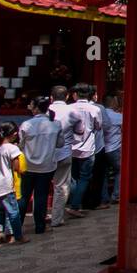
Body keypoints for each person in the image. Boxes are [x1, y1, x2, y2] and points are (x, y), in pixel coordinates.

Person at [19, 96, 64, 235]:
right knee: (41, 196)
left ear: (37, 108)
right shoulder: (55, 124)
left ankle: (16, 226)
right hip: (46, 165)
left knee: (24, 196)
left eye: (32, 105)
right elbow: (60, 144)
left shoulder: (26, 125)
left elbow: (20, 145)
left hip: (28, 165)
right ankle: (39, 226)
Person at [66, 83, 100, 217]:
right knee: (84, 177)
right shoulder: (94, 109)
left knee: (73, 177)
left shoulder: (69, 108)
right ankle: (75, 204)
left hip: (71, 147)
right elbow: (98, 126)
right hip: (87, 147)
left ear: (75, 94)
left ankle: (74, 202)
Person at [48, 86, 76, 226]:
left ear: (51, 97)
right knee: (61, 187)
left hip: (45, 154)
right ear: (67, 97)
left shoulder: (45, 110)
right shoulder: (72, 111)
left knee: (41, 188)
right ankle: (56, 219)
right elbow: (80, 129)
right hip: (64, 152)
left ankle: (40, 217)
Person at [100, 94, 124, 205]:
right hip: (114, 148)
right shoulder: (118, 116)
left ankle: (104, 197)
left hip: (101, 148)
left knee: (103, 173)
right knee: (120, 170)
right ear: (112, 103)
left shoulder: (99, 114)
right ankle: (116, 194)